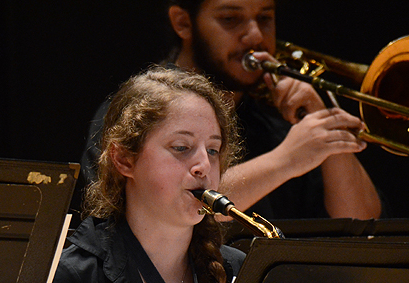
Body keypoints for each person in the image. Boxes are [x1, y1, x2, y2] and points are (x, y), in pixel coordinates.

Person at [9, 66, 246, 283]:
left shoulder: (240, 271)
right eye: (181, 147)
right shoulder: (73, 278)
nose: (203, 166)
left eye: (213, 150)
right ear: (124, 159)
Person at [81, 0, 383, 220]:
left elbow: (362, 222)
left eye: (265, 18)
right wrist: (287, 159)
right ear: (183, 23)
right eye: (230, 19)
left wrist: (322, 122)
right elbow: (170, 209)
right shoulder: (137, 111)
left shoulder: (279, 114)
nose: (254, 37)